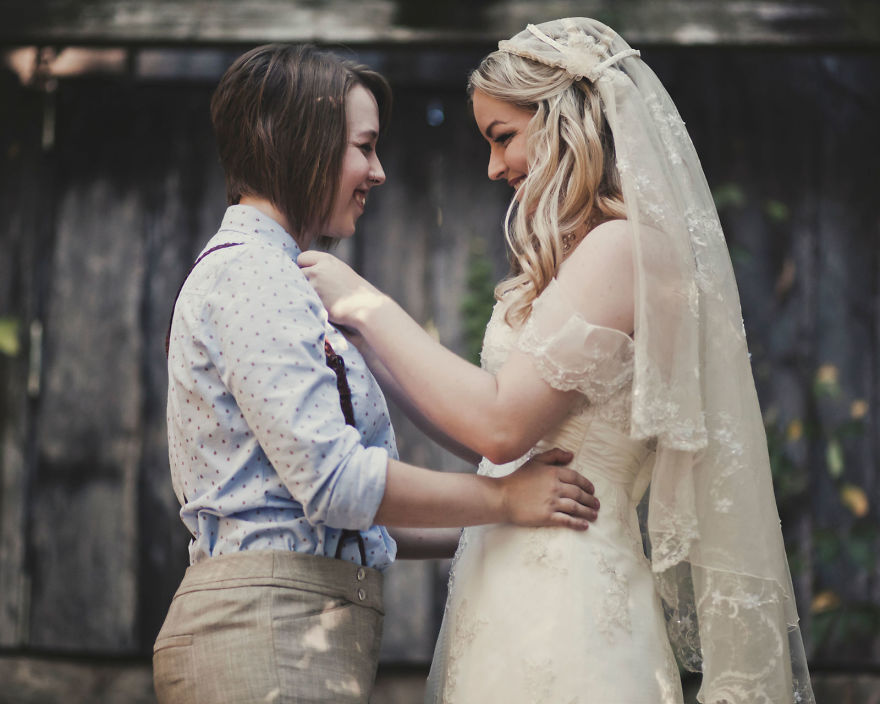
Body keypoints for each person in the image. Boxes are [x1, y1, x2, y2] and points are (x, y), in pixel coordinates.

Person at [298, 18, 815, 704]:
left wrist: (365, 303)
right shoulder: (577, 261)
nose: (493, 167)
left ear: (567, 120)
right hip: (516, 578)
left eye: (503, 136)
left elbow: (502, 425)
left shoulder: (622, 248)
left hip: (568, 593)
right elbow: (490, 441)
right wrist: (366, 341)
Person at [152, 43, 601, 704]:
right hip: (265, 631)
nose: (378, 171)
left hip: (292, 628)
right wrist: (503, 499)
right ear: (302, 144)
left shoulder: (279, 277)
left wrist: (513, 521)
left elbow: (352, 521)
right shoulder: (250, 275)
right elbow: (337, 483)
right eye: (364, 147)